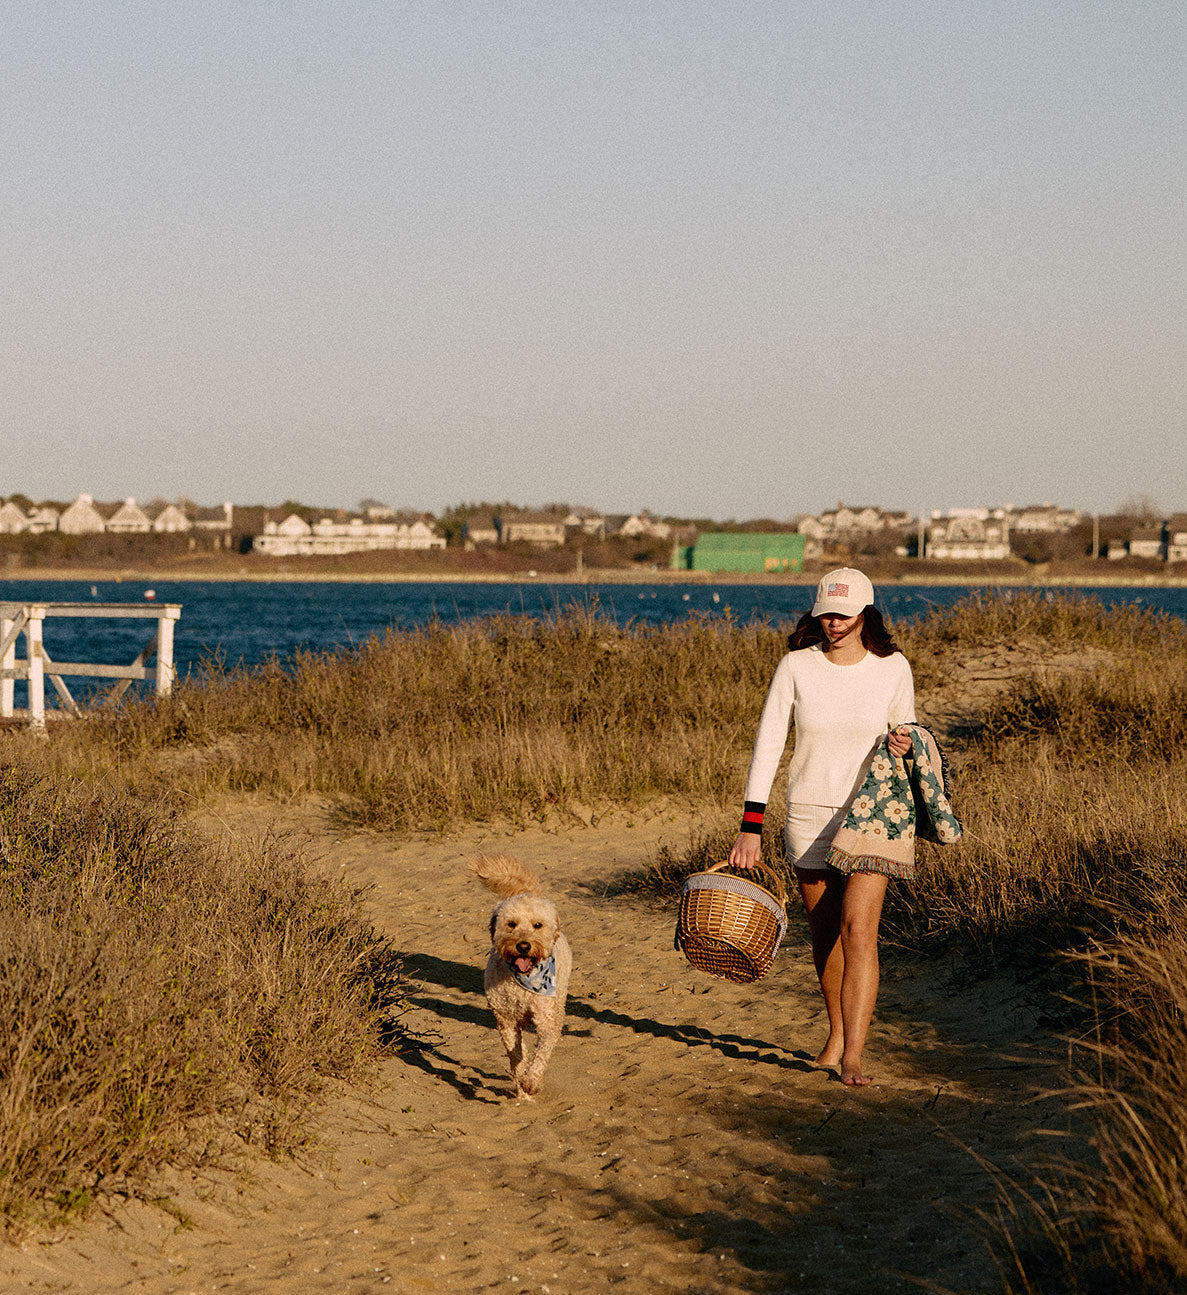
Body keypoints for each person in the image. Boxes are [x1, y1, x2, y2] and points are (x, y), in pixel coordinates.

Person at [728, 568, 914, 1087]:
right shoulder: (795, 667)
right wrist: (751, 825)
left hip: (875, 815)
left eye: (844, 614)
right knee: (826, 935)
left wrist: (905, 744)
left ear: (866, 613)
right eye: (826, 613)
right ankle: (835, 1033)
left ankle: (854, 1053)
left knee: (860, 931)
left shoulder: (894, 667)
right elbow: (768, 744)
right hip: (809, 814)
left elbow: (910, 735)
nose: (834, 623)